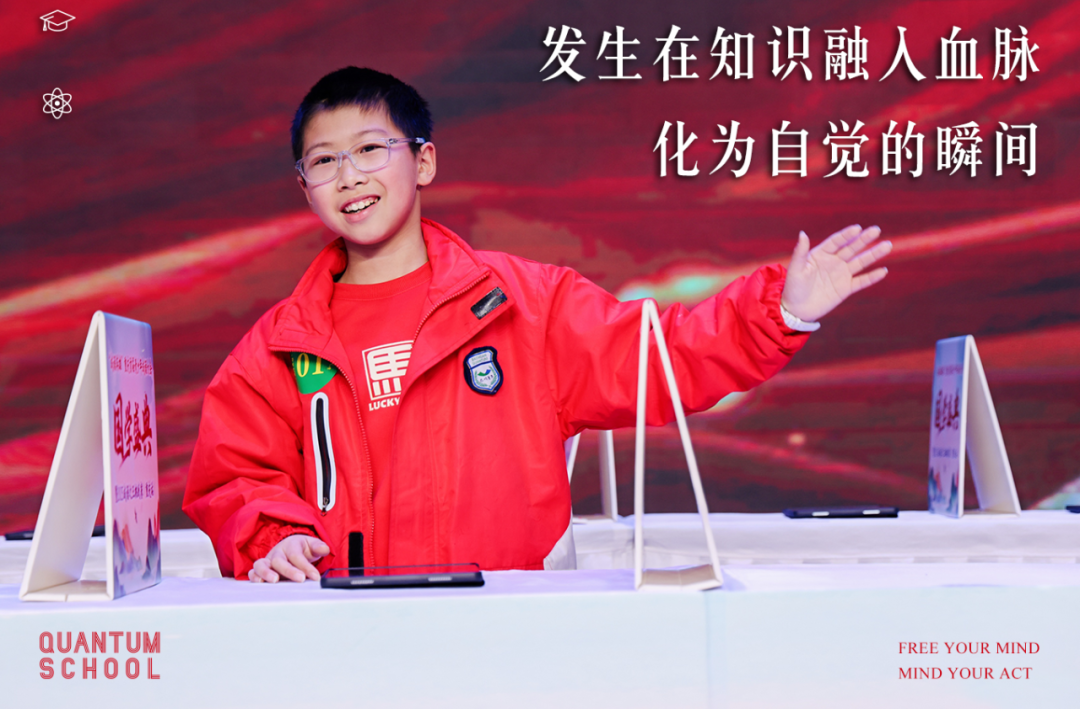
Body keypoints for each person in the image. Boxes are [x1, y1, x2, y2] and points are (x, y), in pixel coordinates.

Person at [182, 67, 892, 583]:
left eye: (371, 149)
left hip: (510, 629)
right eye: (324, 161)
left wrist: (780, 310)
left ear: (423, 161)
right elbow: (237, 477)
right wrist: (271, 540)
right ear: (304, 187)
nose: (349, 176)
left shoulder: (525, 304)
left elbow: (661, 357)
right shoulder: (278, 346)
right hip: (344, 638)